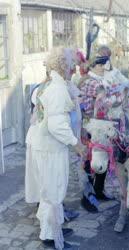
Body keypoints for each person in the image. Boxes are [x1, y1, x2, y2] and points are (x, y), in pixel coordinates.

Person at [26, 47, 86, 249]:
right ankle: (50, 235)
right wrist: (76, 143)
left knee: (50, 189)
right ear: (63, 66)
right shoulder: (57, 88)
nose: (74, 69)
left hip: (45, 146)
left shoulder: (51, 84)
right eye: (71, 65)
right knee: (53, 190)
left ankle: (52, 227)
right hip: (50, 148)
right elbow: (57, 125)